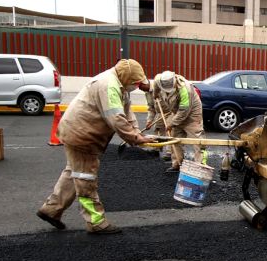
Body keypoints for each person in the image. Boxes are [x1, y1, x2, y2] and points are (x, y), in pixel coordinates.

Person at [36, 59, 157, 234]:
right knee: (86, 178)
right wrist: (135, 138)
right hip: (82, 136)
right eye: (135, 83)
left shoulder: (118, 84)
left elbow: (127, 113)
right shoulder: (108, 86)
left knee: (73, 172)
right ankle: (96, 222)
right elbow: (116, 118)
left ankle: (51, 210)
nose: (137, 86)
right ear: (126, 77)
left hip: (78, 131)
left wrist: (138, 135)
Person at [158, 70, 206, 172]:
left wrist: (172, 123)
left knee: (197, 140)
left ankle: (200, 166)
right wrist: (154, 95)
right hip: (177, 112)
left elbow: (184, 111)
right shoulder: (160, 82)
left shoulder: (185, 89)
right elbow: (155, 87)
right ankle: (177, 164)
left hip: (193, 113)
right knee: (175, 138)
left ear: (174, 81)